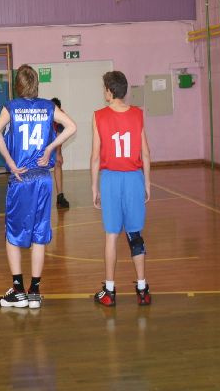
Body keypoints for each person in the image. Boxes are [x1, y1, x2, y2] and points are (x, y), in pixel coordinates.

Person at [0, 64, 76, 308]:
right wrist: (50, 148)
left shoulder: (11, 107)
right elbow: (72, 126)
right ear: (36, 84)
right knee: (40, 233)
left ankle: (18, 290)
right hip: (43, 178)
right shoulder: (48, 106)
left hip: (21, 178)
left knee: (13, 233)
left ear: (17, 85)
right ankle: (35, 291)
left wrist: (10, 162)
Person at [90, 70, 152, 307]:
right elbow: (146, 153)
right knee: (135, 234)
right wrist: (147, 183)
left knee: (112, 235)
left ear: (109, 91)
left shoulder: (99, 116)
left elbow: (95, 157)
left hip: (111, 180)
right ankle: (142, 289)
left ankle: (109, 291)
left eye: (104, 88)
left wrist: (94, 187)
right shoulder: (137, 114)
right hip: (134, 178)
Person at [51, 97, 71, 209]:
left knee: (58, 163)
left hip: (54, 141)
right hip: (40, 142)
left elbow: (60, 137)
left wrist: (58, 153)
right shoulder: (45, 114)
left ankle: (60, 196)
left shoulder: (61, 116)